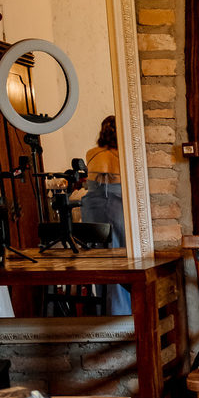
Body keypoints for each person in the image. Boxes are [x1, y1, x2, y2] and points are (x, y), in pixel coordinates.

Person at [80, 115, 130, 315]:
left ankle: (103, 310)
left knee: (99, 256)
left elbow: (88, 183)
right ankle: (121, 310)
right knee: (120, 254)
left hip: (93, 207)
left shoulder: (92, 152)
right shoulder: (124, 155)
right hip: (118, 204)